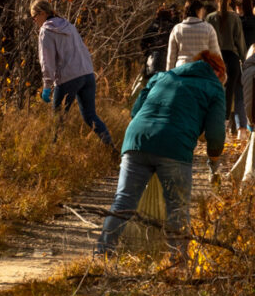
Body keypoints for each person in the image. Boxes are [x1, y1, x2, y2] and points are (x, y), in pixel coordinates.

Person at [95, 50, 227, 259]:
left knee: (123, 201)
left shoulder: (163, 76)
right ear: (218, 71)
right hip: (174, 147)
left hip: (136, 141)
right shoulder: (213, 87)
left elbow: (135, 111)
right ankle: (177, 262)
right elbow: (216, 134)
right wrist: (213, 160)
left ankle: (102, 254)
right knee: (177, 208)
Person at [31, 0, 113, 147]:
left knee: (58, 120)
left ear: (42, 13)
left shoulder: (46, 31)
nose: (34, 21)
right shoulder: (69, 25)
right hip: (87, 74)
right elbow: (82, 49)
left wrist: (47, 86)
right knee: (90, 116)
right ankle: (112, 149)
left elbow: (47, 61)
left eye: (34, 17)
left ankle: (53, 152)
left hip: (68, 78)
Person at [205, 0, 245, 133]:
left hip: (215, 58)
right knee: (229, 94)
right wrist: (243, 58)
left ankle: (211, 123)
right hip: (231, 58)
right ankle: (225, 125)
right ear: (229, 0)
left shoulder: (210, 18)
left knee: (213, 92)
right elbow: (240, 41)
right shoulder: (235, 18)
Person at [167, 0, 220, 69]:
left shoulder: (177, 29)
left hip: (182, 70)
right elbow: (216, 54)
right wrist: (222, 73)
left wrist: (169, 73)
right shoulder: (208, 28)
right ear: (198, 11)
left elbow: (171, 57)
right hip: (202, 70)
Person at [140, 5, 178, 79]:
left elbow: (143, 42)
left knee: (149, 82)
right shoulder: (173, 27)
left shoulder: (153, 26)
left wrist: (147, 52)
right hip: (168, 60)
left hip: (152, 61)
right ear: (170, 15)